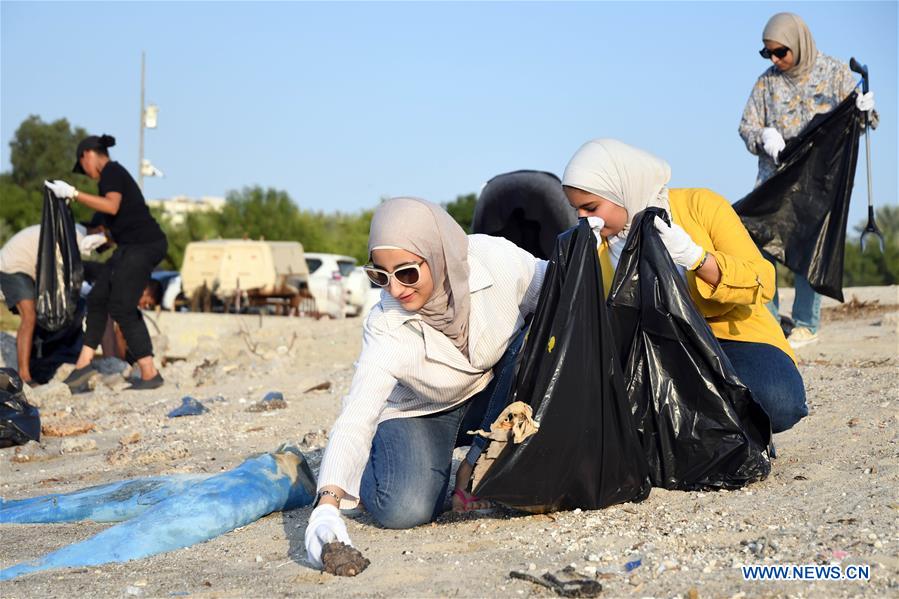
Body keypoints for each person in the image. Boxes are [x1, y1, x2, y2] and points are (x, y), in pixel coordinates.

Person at [303, 197, 546, 568]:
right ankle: (375, 462)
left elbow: (564, 291)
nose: (395, 289)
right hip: (422, 410)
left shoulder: (497, 261)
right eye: (379, 276)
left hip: (492, 394)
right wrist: (328, 505)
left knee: (536, 338)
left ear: (438, 253)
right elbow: (357, 412)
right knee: (404, 509)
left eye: (406, 273)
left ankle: (475, 466)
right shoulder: (386, 323)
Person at [562, 138, 807, 436]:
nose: (583, 220)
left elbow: (762, 281)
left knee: (777, 400)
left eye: (590, 207)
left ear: (623, 190)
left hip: (729, 338)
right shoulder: (596, 248)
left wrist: (697, 258)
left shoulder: (700, 205)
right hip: (654, 352)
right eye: (577, 210)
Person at [738, 12, 877, 348]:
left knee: (810, 245)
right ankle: (768, 320)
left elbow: (866, 120)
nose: (774, 59)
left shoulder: (834, 73)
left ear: (798, 45)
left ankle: (805, 324)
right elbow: (746, 127)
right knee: (758, 239)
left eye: (780, 52)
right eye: (767, 53)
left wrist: (865, 108)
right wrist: (763, 136)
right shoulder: (766, 83)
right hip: (775, 181)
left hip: (818, 182)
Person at [44, 134, 168, 391]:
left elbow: (112, 207)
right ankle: (83, 364)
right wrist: (100, 238)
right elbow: (117, 221)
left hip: (145, 245)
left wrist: (74, 193)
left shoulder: (111, 172)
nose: (86, 174)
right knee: (97, 298)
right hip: (128, 247)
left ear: (88, 155)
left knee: (122, 306)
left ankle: (149, 372)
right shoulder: (108, 181)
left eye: (83, 167)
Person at [0, 223, 104, 385]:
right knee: (29, 317)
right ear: (100, 230)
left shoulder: (74, 231)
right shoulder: (77, 236)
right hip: (14, 265)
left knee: (41, 315)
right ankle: (24, 376)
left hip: (29, 268)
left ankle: (36, 364)